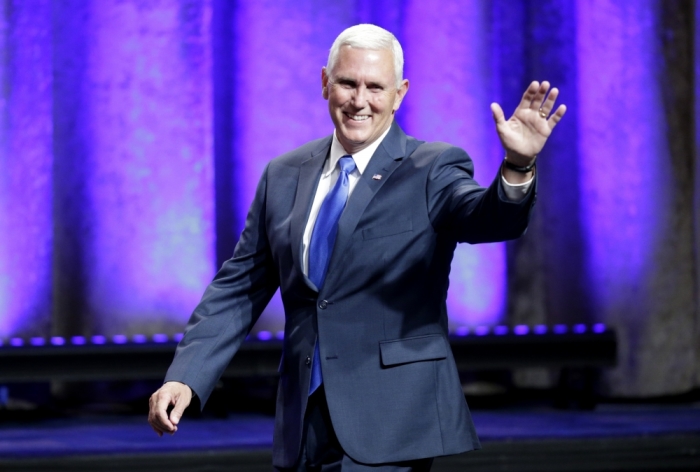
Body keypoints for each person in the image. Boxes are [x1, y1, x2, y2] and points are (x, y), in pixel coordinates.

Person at [148, 24, 566, 471]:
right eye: (348, 83)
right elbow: (238, 287)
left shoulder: (433, 167)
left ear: (400, 93)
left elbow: (489, 218)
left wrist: (518, 166)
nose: (359, 100)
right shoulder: (283, 174)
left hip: (392, 421)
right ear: (325, 82)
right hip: (302, 420)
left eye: (375, 87)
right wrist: (186, 376)